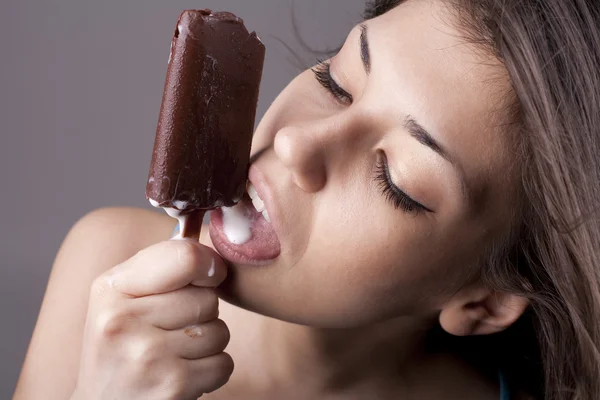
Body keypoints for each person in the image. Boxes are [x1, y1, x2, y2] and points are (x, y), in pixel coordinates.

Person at [13, 0, 600, 399]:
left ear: (485, 302)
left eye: (396, 179)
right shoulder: (104, 266)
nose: (295, 142)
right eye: (336, 81)